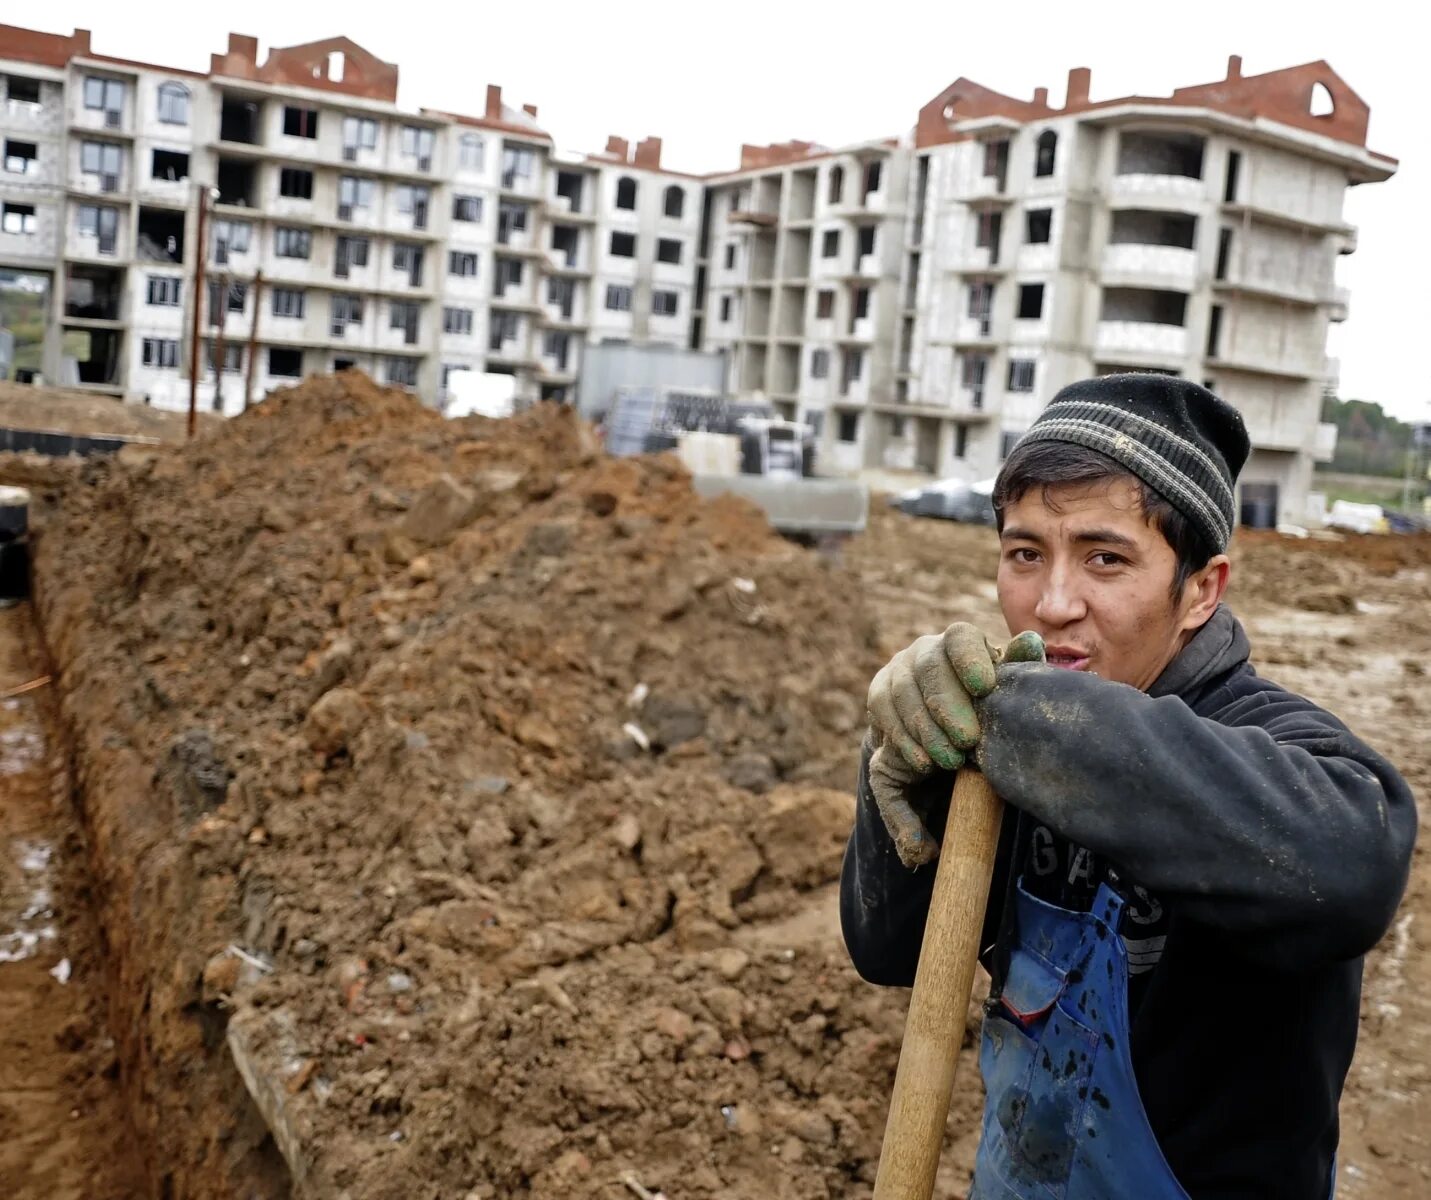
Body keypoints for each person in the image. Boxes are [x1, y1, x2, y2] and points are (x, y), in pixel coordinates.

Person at [841, 374, 1417, 1199]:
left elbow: (1352, 868)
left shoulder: (1275, 743)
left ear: (1200, 591)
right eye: (1024, 554)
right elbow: (885, 951)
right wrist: (896, 773)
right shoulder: (997, 743)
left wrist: (1045, 723)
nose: (1050, 603)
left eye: (1105, 558)